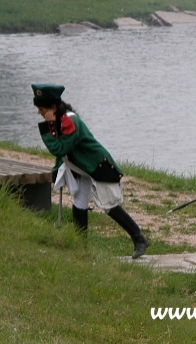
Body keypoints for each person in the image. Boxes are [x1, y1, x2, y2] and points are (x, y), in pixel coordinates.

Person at [32, 84, 149, 259]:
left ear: (53, 108)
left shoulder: (70, 121)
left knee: (109, 204)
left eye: (42, 109)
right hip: (82, 168)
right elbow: (62, 152)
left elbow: (60, 149)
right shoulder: (59, 120)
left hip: (97, 166)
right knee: (80, 201)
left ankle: (139, 238)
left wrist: (49, 125)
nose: (39, 112)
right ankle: (81, 248)